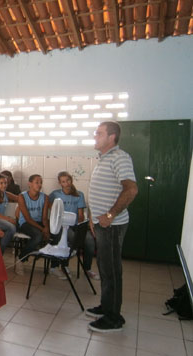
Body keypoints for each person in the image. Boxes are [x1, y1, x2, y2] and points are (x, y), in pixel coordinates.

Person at [86, 121, 137, 333]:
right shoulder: (103, 158)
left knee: (112, 271)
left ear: (112, 137)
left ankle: (114, 317)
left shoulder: (119, 157)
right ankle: (106, 306)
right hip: (101, 224)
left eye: (99, 133)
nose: (95, 136)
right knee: (105, 269)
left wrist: (110, 214)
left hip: (112, 225)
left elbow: (131, 189)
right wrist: (92, 217)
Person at [48, 171, 98, 280]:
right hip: (61, 226)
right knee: (71, 239)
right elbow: (50, 208)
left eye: (68, 180)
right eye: (63, 181)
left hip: (75, 225)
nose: (66, 183)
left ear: (71, 180)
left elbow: (80, 215)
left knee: (89, 241)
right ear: (60, 183)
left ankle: (87, 269)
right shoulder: (55, 194)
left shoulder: (79, 194)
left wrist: (80, 225)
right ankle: (63, 266)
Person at [17, 174, 49, 262]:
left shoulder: (45, 197)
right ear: (29, 184)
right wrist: (42, 229)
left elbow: (44, 217)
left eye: (41, 183)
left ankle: (54, 266)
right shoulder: (22, 196)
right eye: (37, 182)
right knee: (38, 235)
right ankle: (21, 258)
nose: (39, 185)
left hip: (39, 222)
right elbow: (27, 218)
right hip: (25, 223)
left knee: (55, 233)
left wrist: (46, 227)